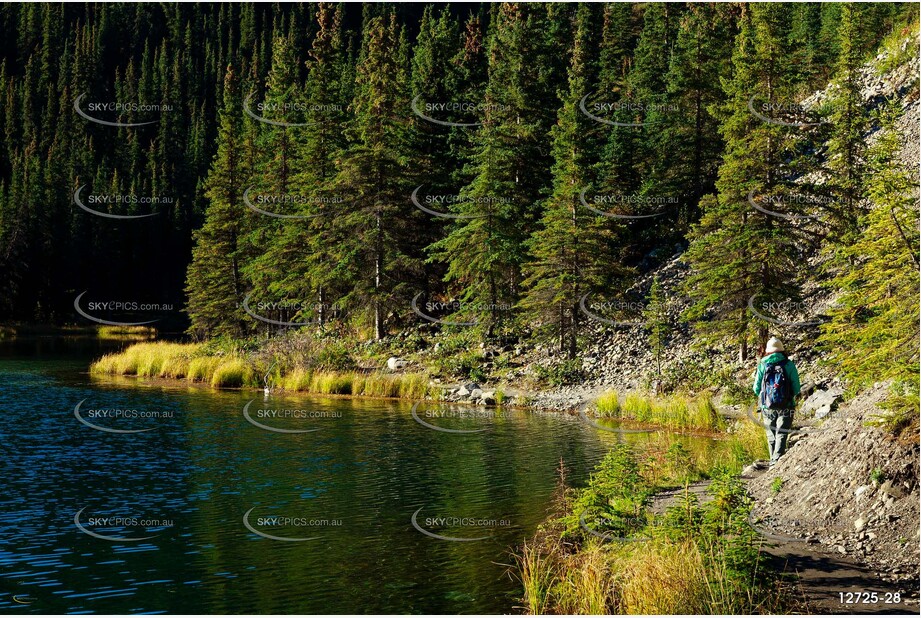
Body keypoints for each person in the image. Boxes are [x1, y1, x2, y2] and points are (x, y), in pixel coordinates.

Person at [752, 336, 801, 467]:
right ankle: (776, 462)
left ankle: (773, 461)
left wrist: (766, 399)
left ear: (768, 351)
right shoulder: (789, 364)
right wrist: (788, 396)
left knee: (771, 434)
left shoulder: (762, 364)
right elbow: (796, 387)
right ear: (781, 350)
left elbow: (756, 388)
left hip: (767, 406)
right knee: (781, 433)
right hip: (787, 405)